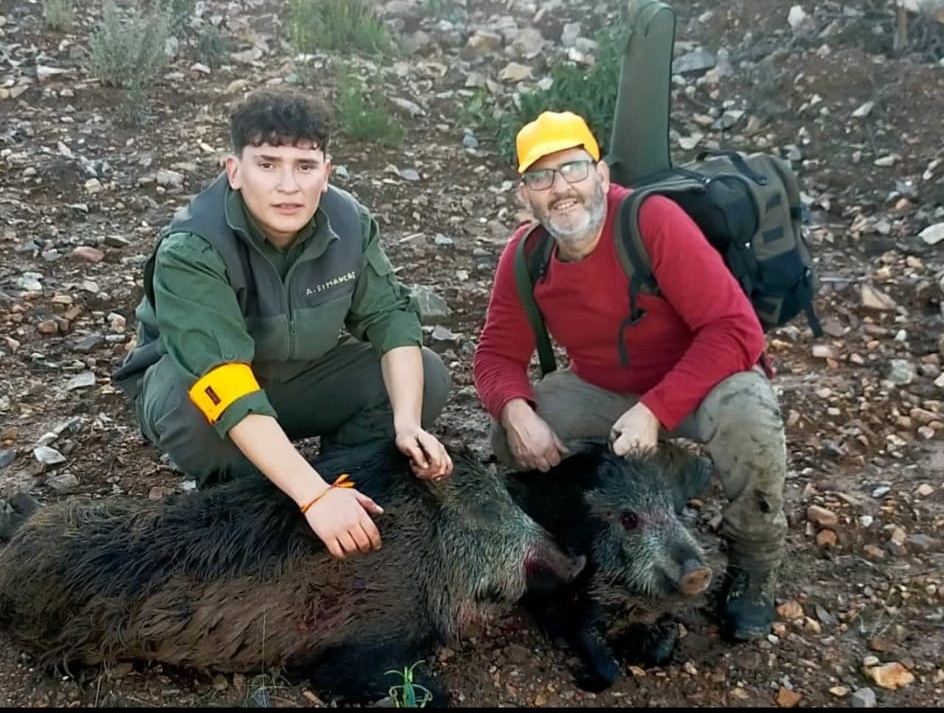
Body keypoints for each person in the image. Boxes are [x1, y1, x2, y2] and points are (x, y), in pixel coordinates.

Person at [472, 110, 788, 643]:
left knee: (750, 414)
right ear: (524, 193)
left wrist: (655, 410)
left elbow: (736, 330)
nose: (560, 189)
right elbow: (496, 355)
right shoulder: (527, 255)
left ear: (600, 173)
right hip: (605, 388)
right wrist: (514, 409)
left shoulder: (651, 222)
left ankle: (754, 564)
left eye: (572, 168)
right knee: (510, 434)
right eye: (541, 177)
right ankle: (593, 533)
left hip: (698, 383)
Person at [112, 87, 453, 561]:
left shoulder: (350, 222)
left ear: (326, 174)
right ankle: (259, 508)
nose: (288, 186)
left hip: (295, 376)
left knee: (426, 376)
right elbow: (223, 381)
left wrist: (407, 423)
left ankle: (345, 486)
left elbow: (391, 316)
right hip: (197, 384)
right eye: (268, 164)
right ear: (234, 171)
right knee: (198, 415)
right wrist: (310, 496)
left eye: (305, 166)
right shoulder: (192, 247)